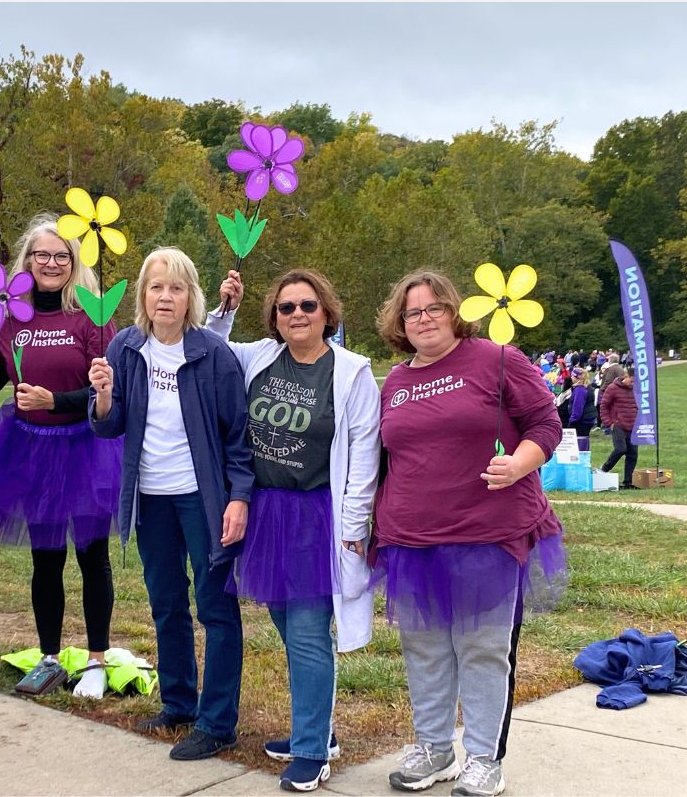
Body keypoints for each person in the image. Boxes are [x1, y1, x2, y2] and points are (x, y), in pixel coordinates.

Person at [372, 270, 568, 797]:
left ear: (455, 311)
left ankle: (484, 758)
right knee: (425, 647)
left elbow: (545, 422)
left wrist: (520, 464)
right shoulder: (395, 381)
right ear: (400, 323)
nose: (425, 318)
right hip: (412, 537)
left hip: (488, 531)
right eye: (414, 312)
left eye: (435, 307)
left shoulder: (496, 358)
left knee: (482, 647)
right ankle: (434, 749)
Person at [207, 268, 379, 791]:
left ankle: (310, 750)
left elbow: (365, 452)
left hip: (315, 515)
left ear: (327, 311)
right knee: (286, 623)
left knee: (306, 632)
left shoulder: (352, 372)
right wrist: (226, 309)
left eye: (307, 306)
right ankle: (317, 729)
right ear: (274, 317)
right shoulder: (257, 355)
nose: (297, 315)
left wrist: (353, 525)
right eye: (286, 308)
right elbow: (208, 349)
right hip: (264, 511)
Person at [88, 247, 253, 761]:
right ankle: (180, 702)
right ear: (143, 294)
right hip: (150, 498)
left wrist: (239, 498)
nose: (166, 296)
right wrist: (104, 396)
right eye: (156, 286)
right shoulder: (125, 347)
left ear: (191, 299)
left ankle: (218, 721)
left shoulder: (212, 354)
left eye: (176, 288)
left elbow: (237, 438)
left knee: (215, 607)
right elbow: (109, 425)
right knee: (166, 603)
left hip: (202, 499)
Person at [0, 214, 122, 699]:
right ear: (27, 261)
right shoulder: (11, 316)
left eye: (62, 256)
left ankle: (96, 659)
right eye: (42, 255)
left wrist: (54, 402)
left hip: (85, 448)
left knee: (91, 555)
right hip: (30, 449)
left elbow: (107, 391)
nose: (52, 263)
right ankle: (50, 658)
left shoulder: (91, 315)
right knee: (46, 558)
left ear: (74, 263)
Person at [598, 367, 639, 490]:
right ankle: (604, 469)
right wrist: (608, 423)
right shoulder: (613, 388)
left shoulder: (638, 389)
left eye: (635, 382)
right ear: (625, 376)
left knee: (632, 454)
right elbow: (604, 406)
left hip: (633, 425)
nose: (633, 384)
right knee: (620, 449)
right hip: (618, 425)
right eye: (631, 381)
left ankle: (628, 482)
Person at [567, 367, 598, 445]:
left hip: (581, 421)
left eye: (572, 376)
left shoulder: (580, 390)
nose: (571, 377)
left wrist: (572, 421)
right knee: (584, 440)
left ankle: (582, 456)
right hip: (588, 418)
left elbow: (578, 408)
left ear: (576, 377)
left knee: (579, 443)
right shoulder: (587, 387)